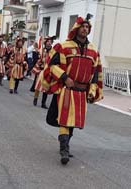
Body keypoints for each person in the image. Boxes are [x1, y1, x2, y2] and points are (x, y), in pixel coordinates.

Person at [44, 15, 103, 165]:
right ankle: (64, 149)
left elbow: (95, 73)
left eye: (87, 27)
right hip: (67, 89)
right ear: (77, 28)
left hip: (82, 92)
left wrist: (92, 91)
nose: (85, 29)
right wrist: (65, 77)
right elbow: (52, 65)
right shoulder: (64, 46)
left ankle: (65, 144)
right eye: (82, 26)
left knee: (74, 122)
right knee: (64, 119)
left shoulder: (93, 51)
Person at [32, 36, 55, 109]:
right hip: (42, 70)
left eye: (50, 42)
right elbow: (38, 60)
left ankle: (43, 103)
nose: (49, 43)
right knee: (38, 86)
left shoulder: (53, 52)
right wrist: (41, 60)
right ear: (45, 43)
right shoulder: (42, 51)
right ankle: (35, 98)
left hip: (48, 71)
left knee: (46, 87)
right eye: (48, 42)